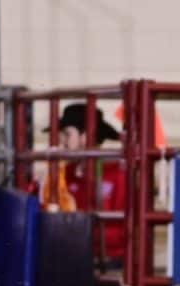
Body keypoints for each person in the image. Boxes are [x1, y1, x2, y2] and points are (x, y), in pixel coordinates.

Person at [38, 101, 128, 262]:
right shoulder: (64, 172)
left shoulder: (117, 175)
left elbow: (123, 233)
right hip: (75, 257)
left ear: (86, 136)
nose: (62, 142)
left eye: (67, 134)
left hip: (108, 261)